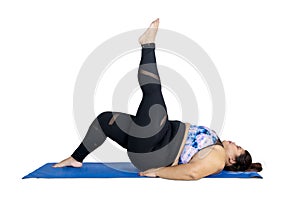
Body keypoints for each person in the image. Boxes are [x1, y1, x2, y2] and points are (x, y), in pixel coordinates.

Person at [53, 18, 262, 180]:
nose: (235, 143)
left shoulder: (217, 158)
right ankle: (76, 158)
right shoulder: (216, 145)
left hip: (155, 149)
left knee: (154, 100)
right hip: (153, 139)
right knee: (106, 121)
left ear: (232, 159)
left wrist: (160, 172)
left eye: (238, 147)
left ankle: (147, 45)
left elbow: (193, 173)